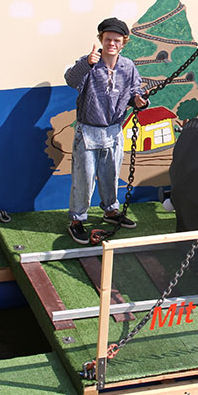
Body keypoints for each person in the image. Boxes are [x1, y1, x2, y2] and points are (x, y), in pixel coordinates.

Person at [64, 17, 148, 244]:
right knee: (84, 178)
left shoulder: (128, 67)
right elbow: (71, 80)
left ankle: (111, 211)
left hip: (114, 131)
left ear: (123, 43)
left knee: (111, 175)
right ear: (101, 40)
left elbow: (134, 92)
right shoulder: (90, 63)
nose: (111, 43)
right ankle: (76, 220)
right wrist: (87, 64)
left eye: (116, 40)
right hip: (88, 131)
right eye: (107, 39)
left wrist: (139, 101)